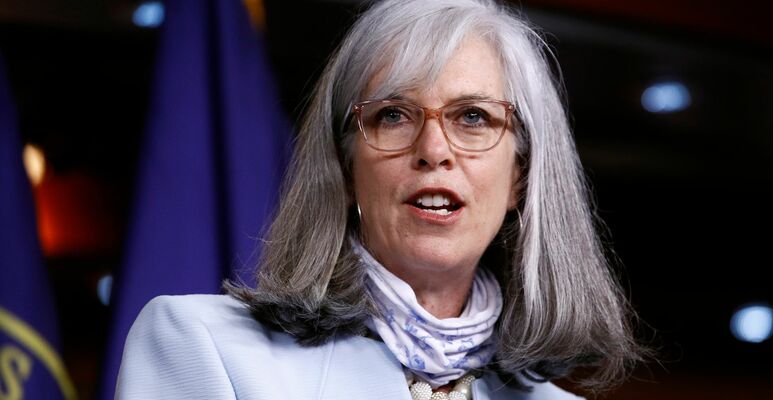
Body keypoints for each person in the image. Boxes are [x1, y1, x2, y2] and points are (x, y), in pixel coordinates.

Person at [115, 0, 645, 398]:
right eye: (392, 115)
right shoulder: (200, 346)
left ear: (520, 178)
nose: (434, 149)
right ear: (345, 169)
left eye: (473, 117)